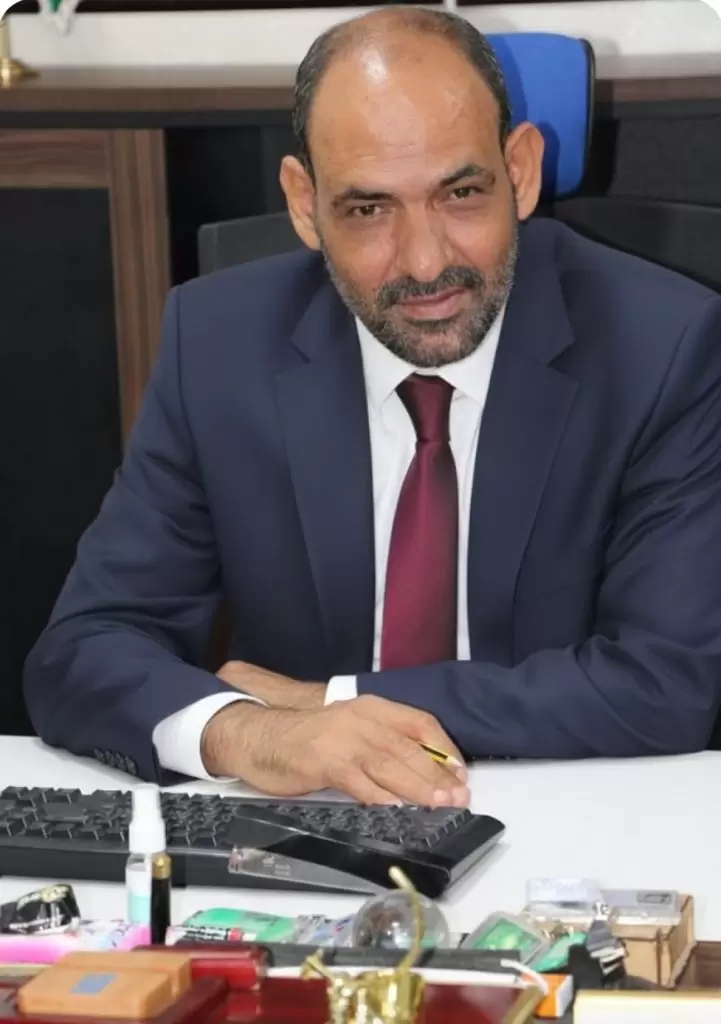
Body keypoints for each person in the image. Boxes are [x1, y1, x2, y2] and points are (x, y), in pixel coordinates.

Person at [24, 7, 721, 806]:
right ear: (303, 204)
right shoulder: (216, 344)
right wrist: (251, 734)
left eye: (461, 193)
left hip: (566, 807)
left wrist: (333, 702)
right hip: (308, 822)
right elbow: (84, 648)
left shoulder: (661, 348)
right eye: (368, 209)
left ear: (520, 171)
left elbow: (664, 682)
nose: (424, 263)